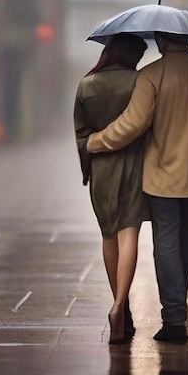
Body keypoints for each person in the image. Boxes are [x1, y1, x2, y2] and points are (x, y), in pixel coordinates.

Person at [87, 32, 188, 343]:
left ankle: (173, 318)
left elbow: (131, 124)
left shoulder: (151, 76)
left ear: (164, 41)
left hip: (160, 178)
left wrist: (95, 141)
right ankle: (176, 307)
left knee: (167, 243)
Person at [73, 33, 150, 345]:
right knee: (129, 233)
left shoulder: (86, 85)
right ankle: (120, 305)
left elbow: (81, 134)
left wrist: (88, 166)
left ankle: (123, 307)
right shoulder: (140, 83)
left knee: (108, 235)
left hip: (102, 169)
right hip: (134, 165)